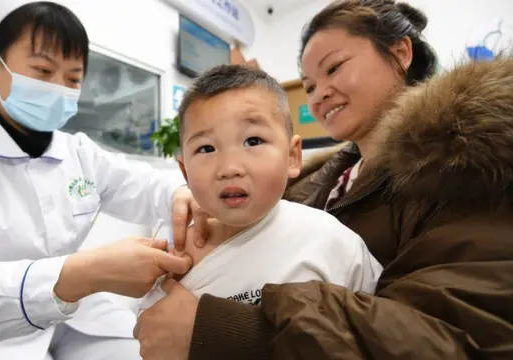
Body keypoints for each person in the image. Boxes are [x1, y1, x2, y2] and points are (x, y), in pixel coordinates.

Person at [134, 1, 513, 359]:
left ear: (400, 53)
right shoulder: (323, 181)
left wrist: (231, 331)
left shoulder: (469, 169)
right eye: (309, 85)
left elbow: (463, 337)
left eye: (333, 68)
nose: (318, 95)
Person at [0, 0, 205, 359]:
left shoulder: (80, 153)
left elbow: (147, 186)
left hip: (81, 316)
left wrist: (184, 192)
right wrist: (76, 273)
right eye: (43, 71)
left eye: (73, 78)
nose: (59, 88)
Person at [133, 65, 382, 319]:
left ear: (292, 157)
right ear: (185, 173)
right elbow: (152, 333)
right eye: (206, 148)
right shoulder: (176, 259)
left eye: (253, 141)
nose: (229, 168)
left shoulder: (331, 241)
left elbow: (372, 328)